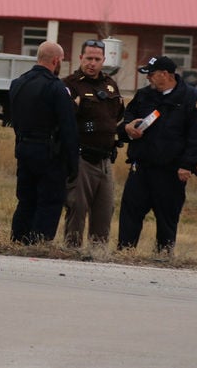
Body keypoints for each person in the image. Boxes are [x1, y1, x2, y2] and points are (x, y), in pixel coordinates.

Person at [118, 55, 197, 255]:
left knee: (167, 218)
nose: (148, 79)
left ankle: (163, 256)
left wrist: (188, 164)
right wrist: (128, 127)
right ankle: (124, 253)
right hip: (140, 167)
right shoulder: (144, 95)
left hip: (171, 171)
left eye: (151, 75)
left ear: (165, 75)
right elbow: (128, 116)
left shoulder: (190, 98)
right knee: (130, 214)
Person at [8, 41, 79, 245]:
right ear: (56, 60)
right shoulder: (56, 87)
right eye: (61, 61)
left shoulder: (18, 84)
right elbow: (68, 128)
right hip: (49, 153)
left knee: (26, 199)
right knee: (49, 200)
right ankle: (39, 241)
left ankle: (19, 239)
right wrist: (73, 163)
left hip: (23, 148)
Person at [62, 39, 124, 247]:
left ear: (103, 60)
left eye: (97, 59)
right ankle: (72, 250)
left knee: (104, 211)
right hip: (82, 158)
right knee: (77, 208)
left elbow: (117, 115)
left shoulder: (110, 84)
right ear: (80, 58)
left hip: (105, 160)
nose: (92, 63)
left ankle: (98, 254)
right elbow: (63, 119)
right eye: (88, 58)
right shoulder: (70, 84)